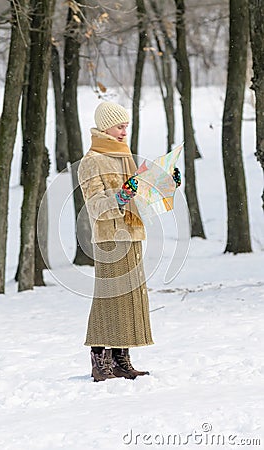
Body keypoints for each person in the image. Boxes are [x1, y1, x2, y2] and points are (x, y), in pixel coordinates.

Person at [78, 101, 180, 382]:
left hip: (132, 233)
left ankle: (121, 360)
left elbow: (141, 198)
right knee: (109, 297)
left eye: (126, 126)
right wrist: (122, 195)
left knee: (129, 299)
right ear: (105, 126)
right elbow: (96, 206)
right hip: (110, 237)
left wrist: (167, 184)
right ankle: (100, 361)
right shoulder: (91, 161)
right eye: (120, 126)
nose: (125, 131)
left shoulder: (125, 157)